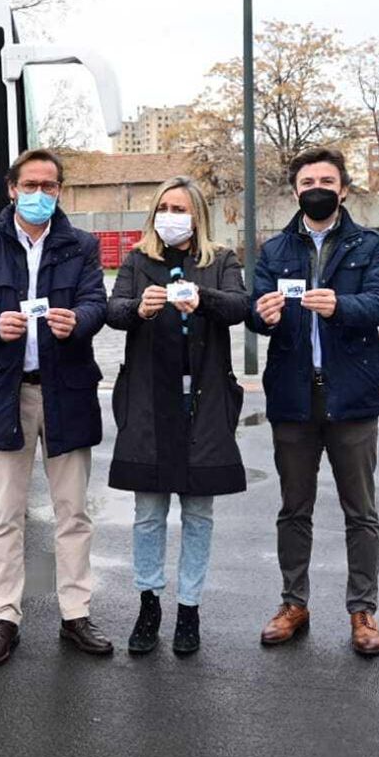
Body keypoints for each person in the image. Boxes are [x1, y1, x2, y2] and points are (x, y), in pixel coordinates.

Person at [0, 148, 113, 669]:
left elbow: (97, 303)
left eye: (50, 185)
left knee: (73, 511)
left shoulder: (81, 246)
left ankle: (75, 615)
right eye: (31, 184)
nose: (40, 194)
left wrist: (79, 321)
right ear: (11, 189)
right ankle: (5, 618)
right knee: (5, 514)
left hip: (65, 391)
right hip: (6, 392)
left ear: (60, 191)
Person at [249, 146, 379, 656]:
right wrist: (261, 312)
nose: (317, 187)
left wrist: (341, 306)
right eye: (307, 179)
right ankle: (294, 602)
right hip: (292, 394)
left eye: (326, 180)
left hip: (351, 395)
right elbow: (253, 308)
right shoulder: (274, 250)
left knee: (361, 510)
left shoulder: (368, 244)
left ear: (343, 188)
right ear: (295, 190)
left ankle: (363, 610)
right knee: (294, 509)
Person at [106, 176, 249, 656]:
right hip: (149, 400)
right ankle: (149, 603)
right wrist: (140, 309)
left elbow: (239, 307)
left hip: (204, 400)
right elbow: (113, 310)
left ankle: (190, 607)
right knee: (148, 512)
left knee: (198, 511)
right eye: (165, 206)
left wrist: (202, 299)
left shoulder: (221, 260)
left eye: (181, 208)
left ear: (198, 215)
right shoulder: (136, 260)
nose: (172, 215)